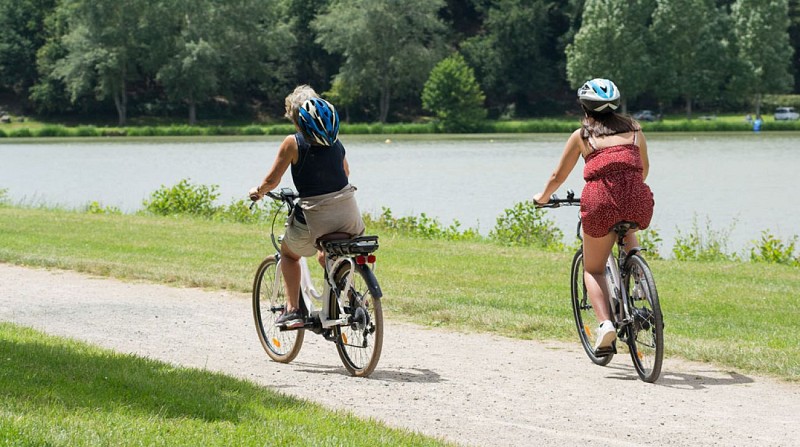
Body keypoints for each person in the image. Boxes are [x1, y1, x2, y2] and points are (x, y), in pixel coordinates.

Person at [532, 78, 654, 351]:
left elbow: (557, 176)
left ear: (585, 107)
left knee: (593, 268)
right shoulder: (635, 130)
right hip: (638, 199)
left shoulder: (582, 136)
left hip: (600, 203)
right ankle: (641, 281)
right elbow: (643, 169)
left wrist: (542, 198)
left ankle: (605, 325)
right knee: (628, 224)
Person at [249, 85, 365, 328]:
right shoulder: (336, 143)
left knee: (289, 254)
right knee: (327, 256)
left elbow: (272, 181)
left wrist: (258, 192)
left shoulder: (293, 143)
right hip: (350, 215)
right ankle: (352, 296)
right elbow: (346, 172)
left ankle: (293, 311)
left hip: (315, 219)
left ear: (294, 117)